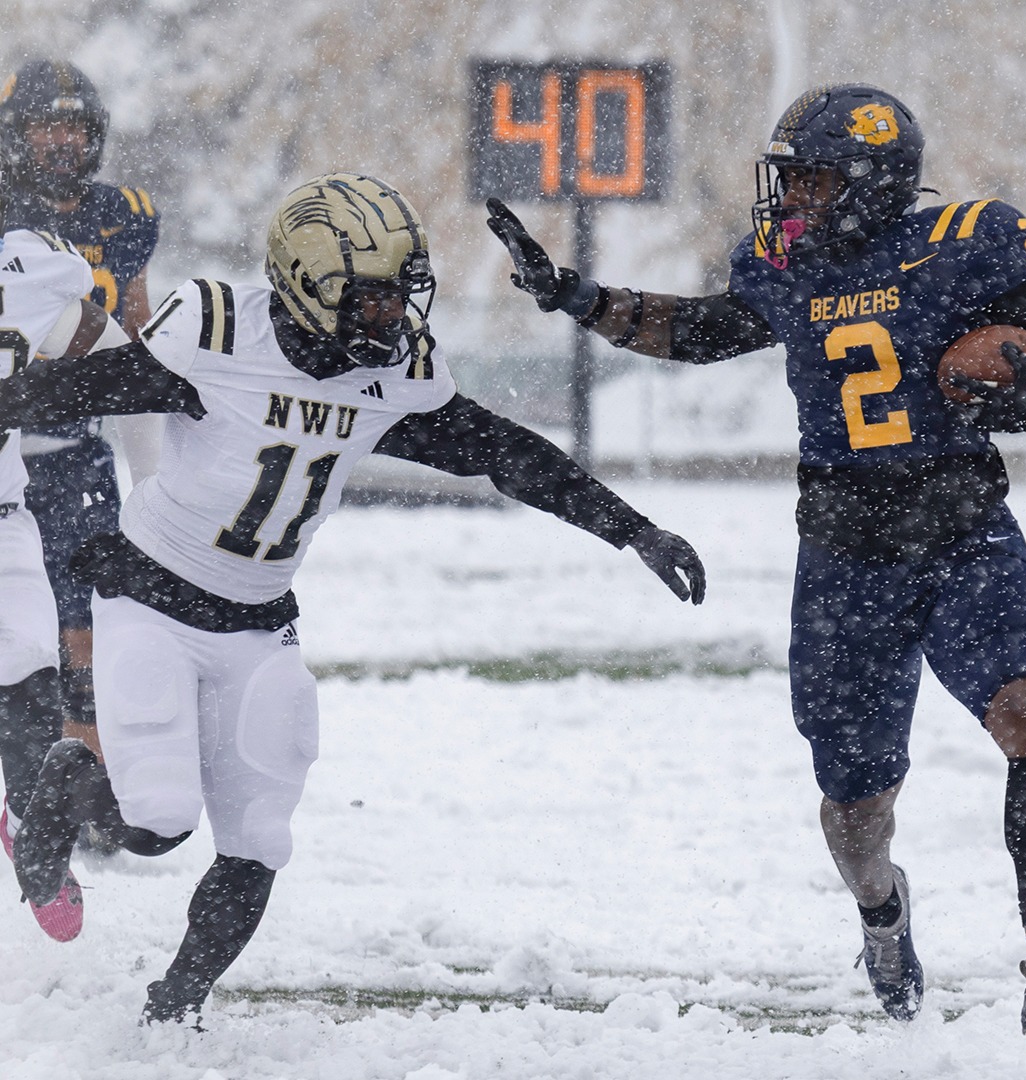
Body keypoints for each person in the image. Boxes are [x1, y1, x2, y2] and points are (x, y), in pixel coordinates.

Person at [487, 84, 1026, 1075]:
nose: (789, 197)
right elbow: (696, 330)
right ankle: (882, 910)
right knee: (857, 804)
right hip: (846, 559)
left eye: (811, 177)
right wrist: (575, 295)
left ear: (872, 185)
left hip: (964, 529)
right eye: (787, 178)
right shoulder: (787, 271)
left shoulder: (966, 247)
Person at [0, 173, 707, 1026]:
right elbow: (70, 393)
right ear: (305, 284)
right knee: (156, 825)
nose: (391, 321)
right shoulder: (217, 333)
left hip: (259, 620)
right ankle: (67, 778)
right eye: (370, 302)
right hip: (150, 595)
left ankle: (173, 1008)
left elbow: (507, 452)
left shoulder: (392, 373)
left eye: (399, 299)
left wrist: (633, 529)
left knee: (261, 838)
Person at [0, 59, 163, 776]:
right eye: (46, 126)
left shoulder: (120, 214)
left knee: (85, 625)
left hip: (71, 448)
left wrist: (154, 475)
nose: (62, 141)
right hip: (8, 440)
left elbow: (137, 334)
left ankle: (81, 786)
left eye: (75, 126)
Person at [0, 211, 97, 943]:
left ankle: (35, 834)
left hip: (1, 514)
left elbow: (105, 345)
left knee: (33, 679)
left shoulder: (25, 268)